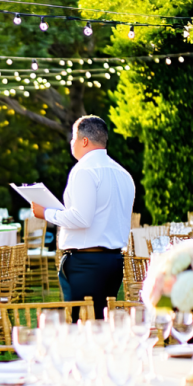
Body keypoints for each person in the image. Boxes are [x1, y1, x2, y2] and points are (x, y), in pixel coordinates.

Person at [30, 115, 135, 319]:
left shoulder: (84, 170)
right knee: (102, 324)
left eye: (73, 138)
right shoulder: (123, 173)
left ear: (84, 141)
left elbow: (81, 218)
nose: (72, 143)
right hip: (114, 261)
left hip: (86, 263)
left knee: (81, 327)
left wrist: (46, 213)